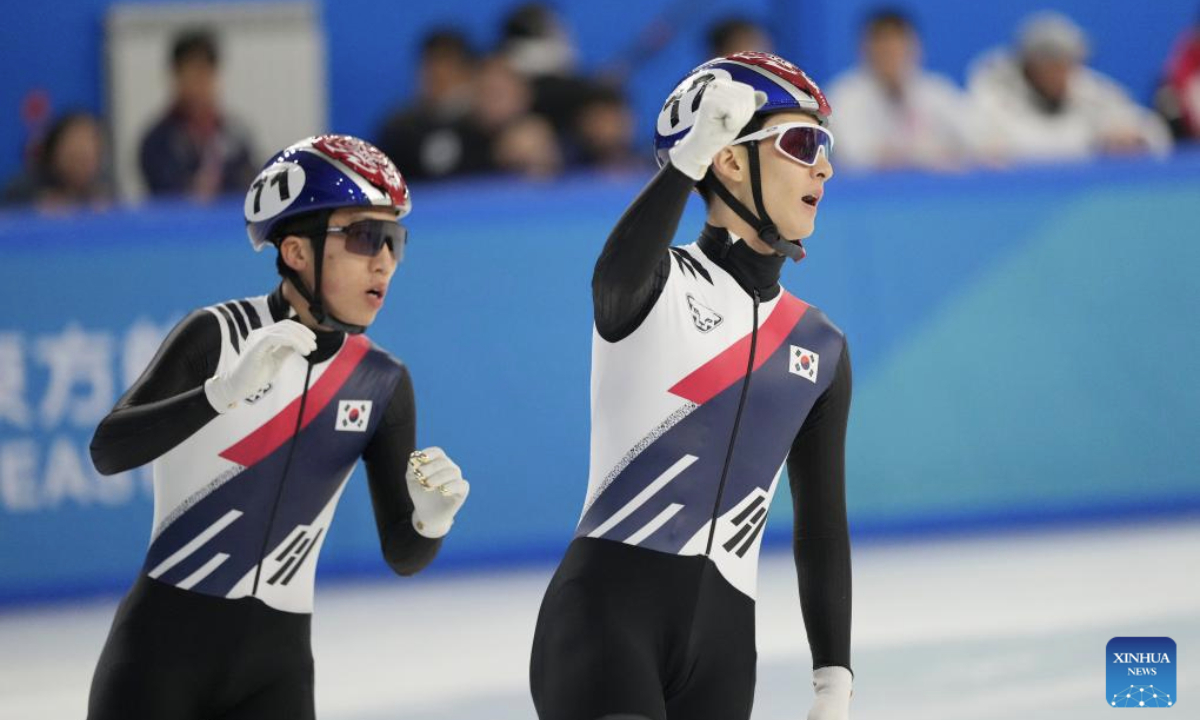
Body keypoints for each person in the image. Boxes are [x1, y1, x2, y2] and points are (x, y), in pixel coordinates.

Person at [86, 134, 470, 720]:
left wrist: (431, 519)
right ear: (295, 250)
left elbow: (404, 554)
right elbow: (108, 450)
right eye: (367, 237)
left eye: (395, 241)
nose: (385, 261)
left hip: (278, 672)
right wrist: (219, 395)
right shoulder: (218, 334)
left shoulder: (381, 381)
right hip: (160, 658)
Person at [530, 52, 853, 720]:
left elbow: (821, 525)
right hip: (604, 627)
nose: (822, 165)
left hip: (727, 656)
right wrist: (687, 161)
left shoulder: (821, 346)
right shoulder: (659, 286)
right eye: (801, 143)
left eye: (825, 146)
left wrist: (834, 683)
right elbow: (613, 280)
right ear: (729, 160)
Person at [967, 11, 1171, 162]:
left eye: (1069, 64)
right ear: (1031, 65)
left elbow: (1153, 132)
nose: (1063, 74)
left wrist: (1135, 138)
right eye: (1054, 65)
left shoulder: (1087, 89)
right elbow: (987, 148)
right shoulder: (993, 97)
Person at [826, 8, 986, 171]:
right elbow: (856, 156)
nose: (891, 55)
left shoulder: (936, 91)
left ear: (915, 47)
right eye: (883, 48)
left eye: (897, 46)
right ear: (865, 49)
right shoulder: (844, 97)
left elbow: (978, 140)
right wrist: (927, 155)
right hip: (870, 193)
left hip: (932, 191)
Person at [139, 28, 257, 199]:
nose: (201, 83)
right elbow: (166, 193)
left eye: (207, 73)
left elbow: (249, 185)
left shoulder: (236, 134)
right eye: (193, 73)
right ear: (176, 76)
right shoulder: (156, 141)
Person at [375, 28, 494, 180]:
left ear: (468, 72)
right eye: (431, 71)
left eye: (449, 70)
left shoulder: (487, 124)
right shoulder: (400, 129)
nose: (439, 76)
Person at [2, 110, 112, 211]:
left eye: (88, 158)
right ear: (55, 150)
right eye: (75, 156)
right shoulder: (23, 191)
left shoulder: (104, 192)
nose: (81, 165)